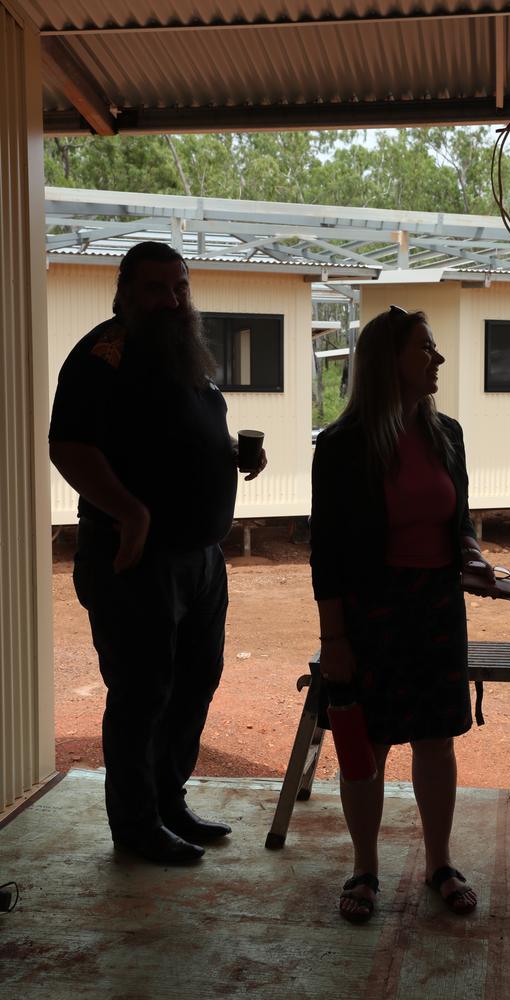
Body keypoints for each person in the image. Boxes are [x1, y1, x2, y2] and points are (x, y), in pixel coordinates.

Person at [49, 241, 267, 865]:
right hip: (134, 559)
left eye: (180, 287)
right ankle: (137, 827)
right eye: (156, 289)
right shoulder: (103, 356)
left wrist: (232, 455)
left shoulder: (183, 355)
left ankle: (168, 802)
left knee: (195, 682)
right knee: (142, 693)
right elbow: (68, 446)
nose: (171, 299)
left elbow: (186, 437)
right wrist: (131, 511)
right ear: (125, 293)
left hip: (199, 559)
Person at [310, 305, 494, 922]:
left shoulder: (449, 435)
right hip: (370, 610)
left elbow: (459, 517)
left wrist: (470, 552)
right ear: (390, 363)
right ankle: (365, 869)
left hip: (437, 605)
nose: (437, 359)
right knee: (369, 745)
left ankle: (439, 861)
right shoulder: (341, 447)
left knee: (435, 739)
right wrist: (334, 636)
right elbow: (327, 552)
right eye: (425, 348)